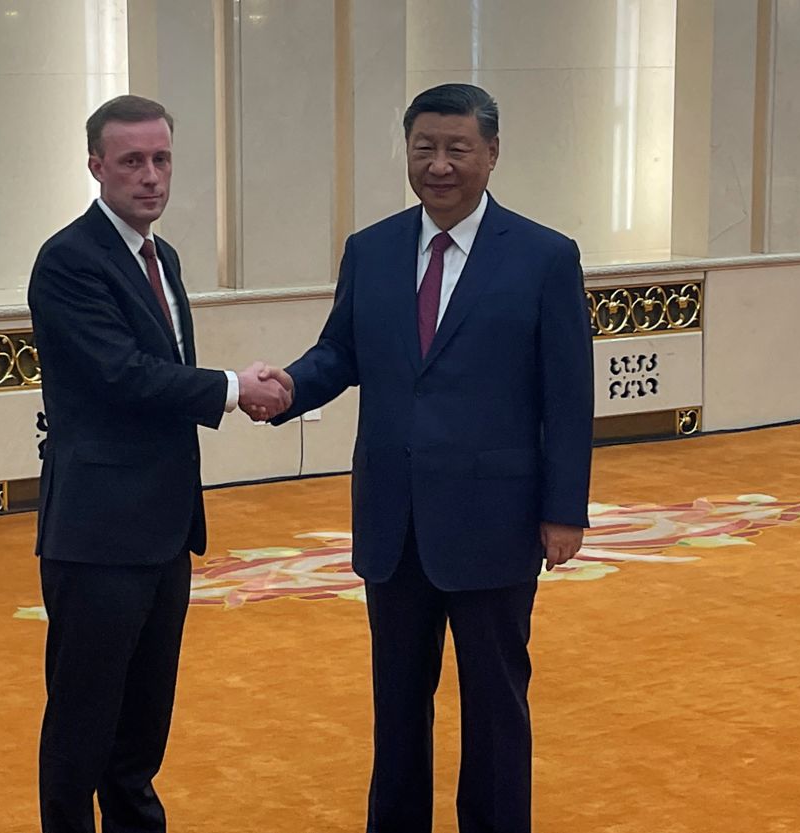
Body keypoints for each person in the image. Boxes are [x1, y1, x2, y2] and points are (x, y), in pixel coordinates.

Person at [264, 84, 595, 833]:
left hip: (496, 523)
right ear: (407, 152)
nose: (439, 165)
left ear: (493, 153)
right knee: (397, 706)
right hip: (394, 521)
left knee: (496, 705)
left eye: (458, 149)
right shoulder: (372, 249)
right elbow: (341, 351)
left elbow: (568, 395)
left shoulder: (544, 257)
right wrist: (287, 388)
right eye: (425, 148)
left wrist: (563, 509)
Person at [26, 95, 289, 833]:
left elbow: (160, 378)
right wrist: (236, 389)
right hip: (98, 535)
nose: (150, 176)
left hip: (166, 530)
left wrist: (230, 390)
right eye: (133, 161)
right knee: (82, 731)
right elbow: (123, 375)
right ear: (96, 166)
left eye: (162, 159)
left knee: (141, 732)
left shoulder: (161, 257)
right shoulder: (68, 260)